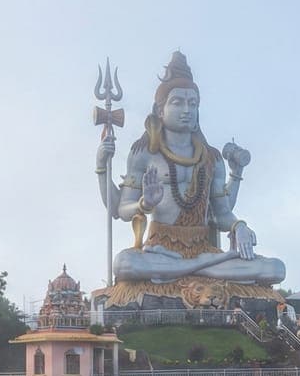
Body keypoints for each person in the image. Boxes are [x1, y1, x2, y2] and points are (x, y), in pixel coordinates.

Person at [96, 52, 284, 284]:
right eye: (178, 102)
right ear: (159, 110)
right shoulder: (144, 153)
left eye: (192, 103)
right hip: (160, 250)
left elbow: (221, 213)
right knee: (124, 263)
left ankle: (188, 269)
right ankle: (203, 270)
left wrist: (239, 225)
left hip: (201, 248)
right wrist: (145, 203)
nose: (187, 110)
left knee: (275, 269)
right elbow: (122, 209)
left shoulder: (212, 158)